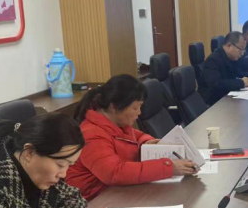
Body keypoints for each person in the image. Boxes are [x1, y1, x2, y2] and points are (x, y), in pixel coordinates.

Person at [66, 75, 197, 200]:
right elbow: (114, 173)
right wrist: (168, 167)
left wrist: (147, 142)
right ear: (113, 106)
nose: (139, 113)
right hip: (93, 200)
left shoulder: (116, 123)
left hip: (117, 192)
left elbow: (136, 136)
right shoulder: (91, 134)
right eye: (135, 108)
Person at [199, 31, 248, 105]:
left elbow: (237, 73)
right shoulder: (213, 60)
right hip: (212, 103)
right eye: (240, 49)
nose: (242, 53)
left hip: (225, 97)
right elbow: (216, 84)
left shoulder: (231, 57)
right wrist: (241, 83)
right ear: (229, 46)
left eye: (244, 50)